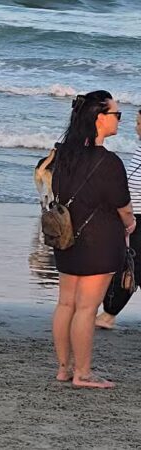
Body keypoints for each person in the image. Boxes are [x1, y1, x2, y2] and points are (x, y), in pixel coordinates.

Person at [50, 90, 134, 389]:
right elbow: (122, 205)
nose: (120, 121)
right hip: (99, 240)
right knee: (86, 309)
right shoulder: (109, 162)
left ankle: (64, 368)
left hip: (66, 236)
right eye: (116, 115)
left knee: (66, 304)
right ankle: (83, 374)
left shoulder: (62, 154)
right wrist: (131, 223)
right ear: (100, 118)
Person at [96, 110, 141, 329]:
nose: (136, 127)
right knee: (131, 265)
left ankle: (109, 314)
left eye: (140, 123)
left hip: (137, 219)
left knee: (131, 267)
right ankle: (108, 313)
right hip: (133, 217)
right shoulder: (139, 148)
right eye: (137, 122)